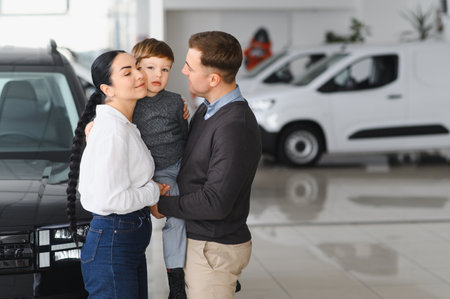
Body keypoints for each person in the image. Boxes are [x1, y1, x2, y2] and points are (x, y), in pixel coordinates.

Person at [153, 31, 262, 299]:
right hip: (200, 241)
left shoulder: (235, 126)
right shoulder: (207, 109)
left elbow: (215, 202)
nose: (183, 71)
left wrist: (161, 204)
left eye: (190, 67)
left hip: (213, 247)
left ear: (213, 79)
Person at [66, 50, 169, 298]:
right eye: (127, 72)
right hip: (113, 245)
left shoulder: (123, 125)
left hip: (123, 244)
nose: (139, 75)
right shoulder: (112, 130)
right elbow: (111, 199)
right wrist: (153, 190)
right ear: (108, 89)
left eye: (137, 67)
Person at [131, 38, 189, 299]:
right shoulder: (130, 102)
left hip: (181, 164)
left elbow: (185, 136)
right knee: (175, 218)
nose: (158, 75)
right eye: (151, 68)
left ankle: (206, 269)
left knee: (208, 204)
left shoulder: (176, 102)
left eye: (165, 69)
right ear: (137, 68)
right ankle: (175, 276)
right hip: (156, 172)